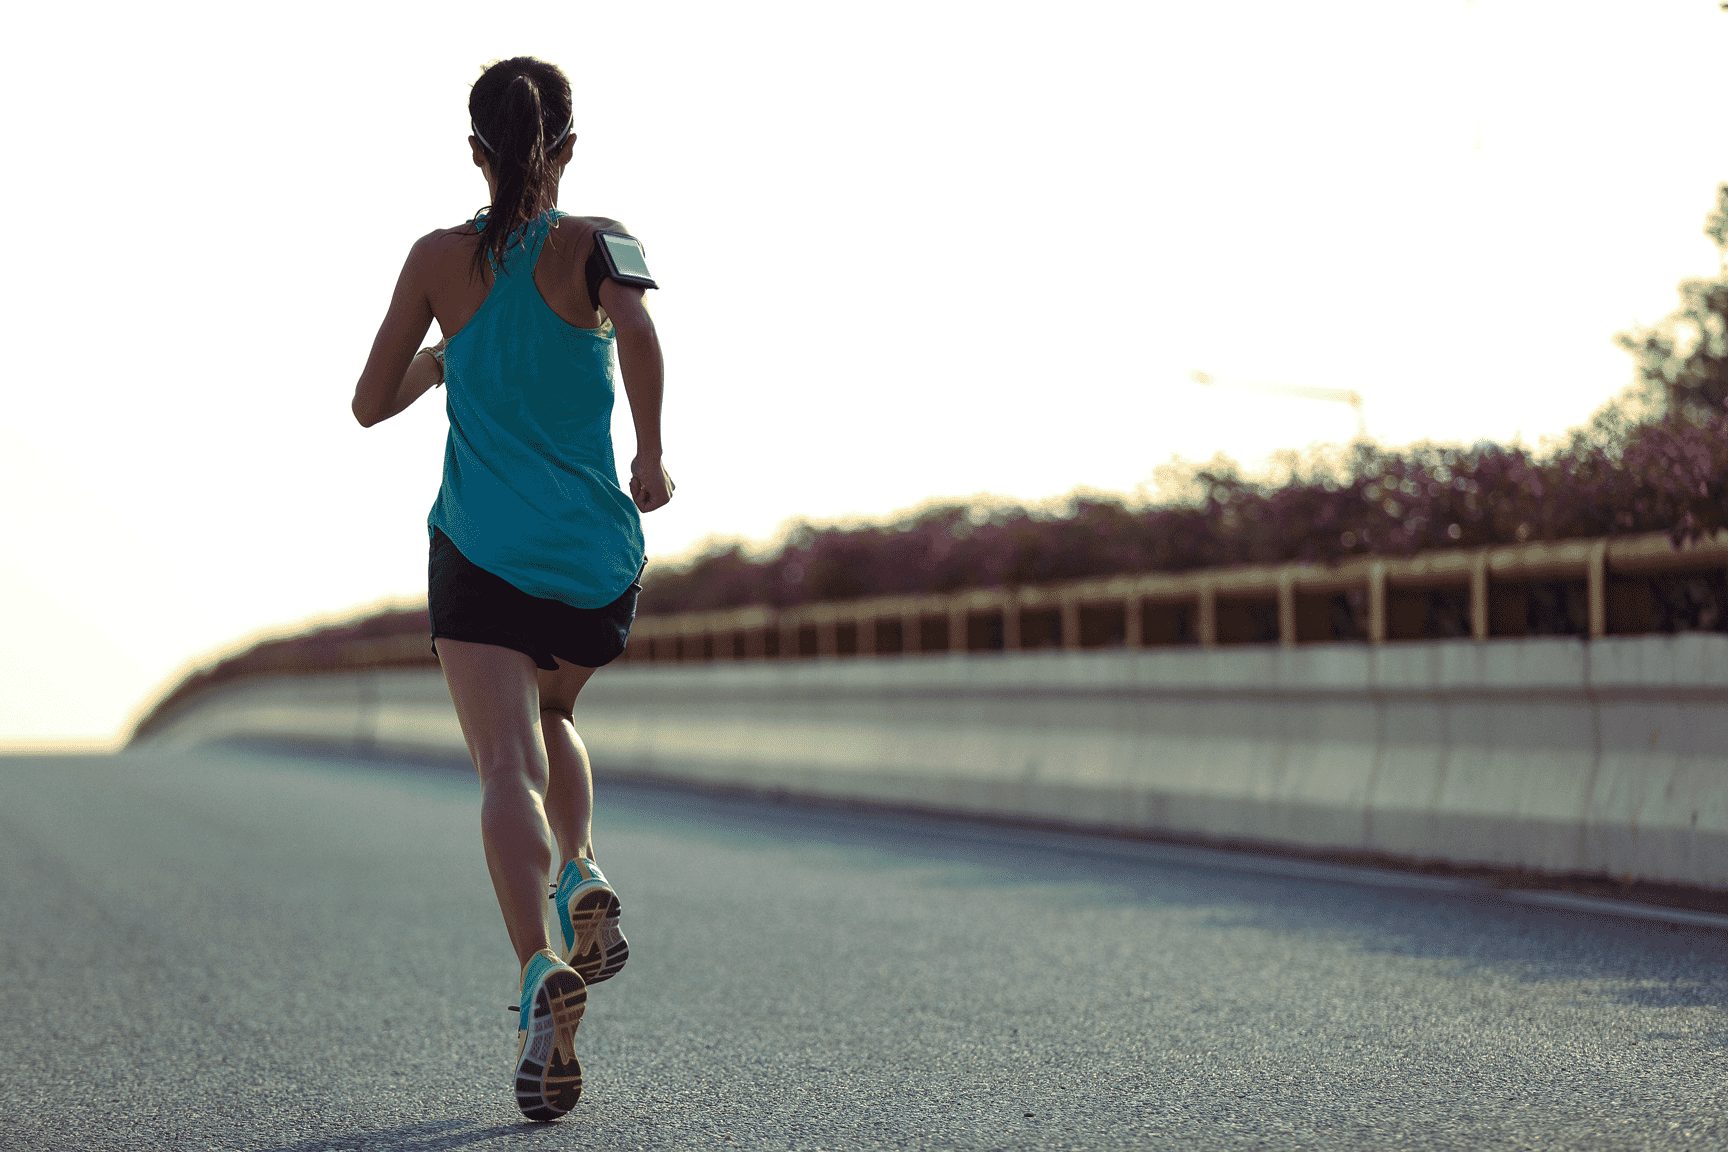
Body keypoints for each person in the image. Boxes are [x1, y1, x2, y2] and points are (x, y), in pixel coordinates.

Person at [349, 55, 673, 1122]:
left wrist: (447, 357)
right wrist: (652, 458)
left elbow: (367, 403)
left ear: (477, 152)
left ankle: (541, 968)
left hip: (482, 551)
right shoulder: (600, 242)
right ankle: (580, 867)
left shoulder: (438, 259)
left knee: (503, 765)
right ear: (569, 150)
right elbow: (641, 332)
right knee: (557, 709)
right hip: (590, 555)